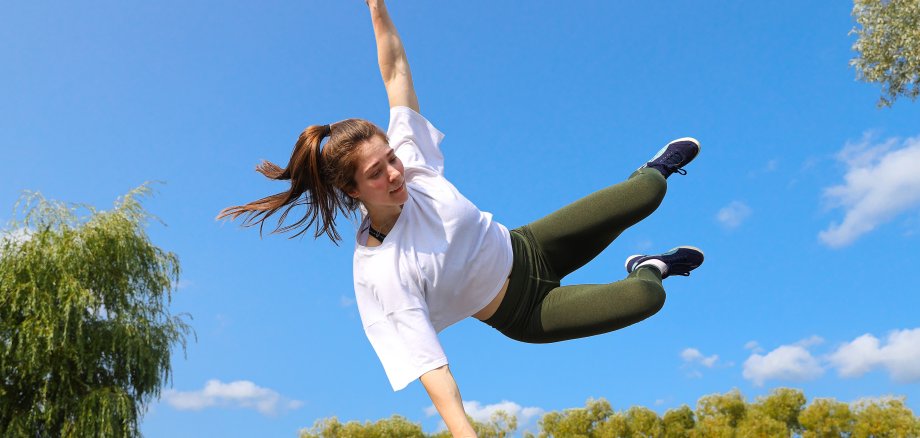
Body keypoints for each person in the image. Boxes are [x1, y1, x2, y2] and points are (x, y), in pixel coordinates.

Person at [218, 1, 704, 436]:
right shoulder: (379, 274)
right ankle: (648, 265)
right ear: (351, 190)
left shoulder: (412, 162)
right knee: (644, 299)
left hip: (531, 245)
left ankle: (656, 170)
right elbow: (432, 368)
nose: (395, 172)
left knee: (647, 192)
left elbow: (395, 71)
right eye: (376, 172)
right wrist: (464, 434)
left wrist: (375, 6)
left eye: (391, 157)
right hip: (526, 312)